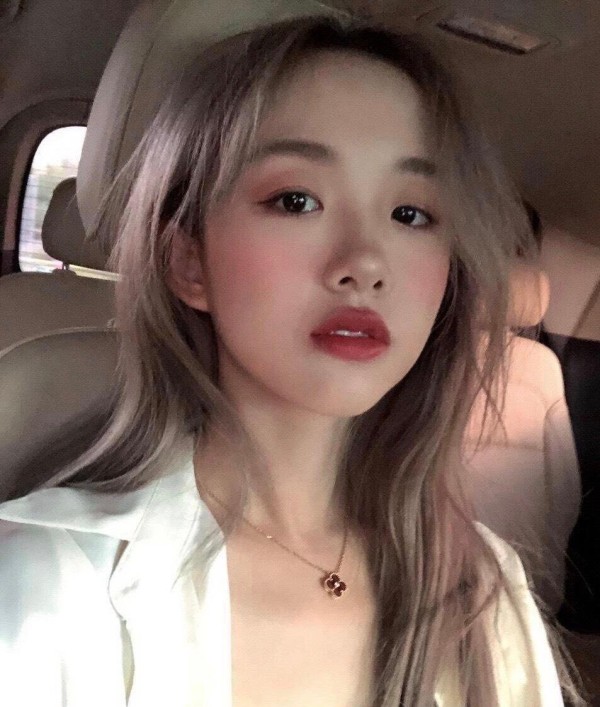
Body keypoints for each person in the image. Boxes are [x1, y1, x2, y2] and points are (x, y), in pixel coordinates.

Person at [0, 13, 584, 707]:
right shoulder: (47, 593)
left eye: (411, 214)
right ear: (189, 262)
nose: (364, 262)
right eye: (297, 200)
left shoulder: (487, 590)